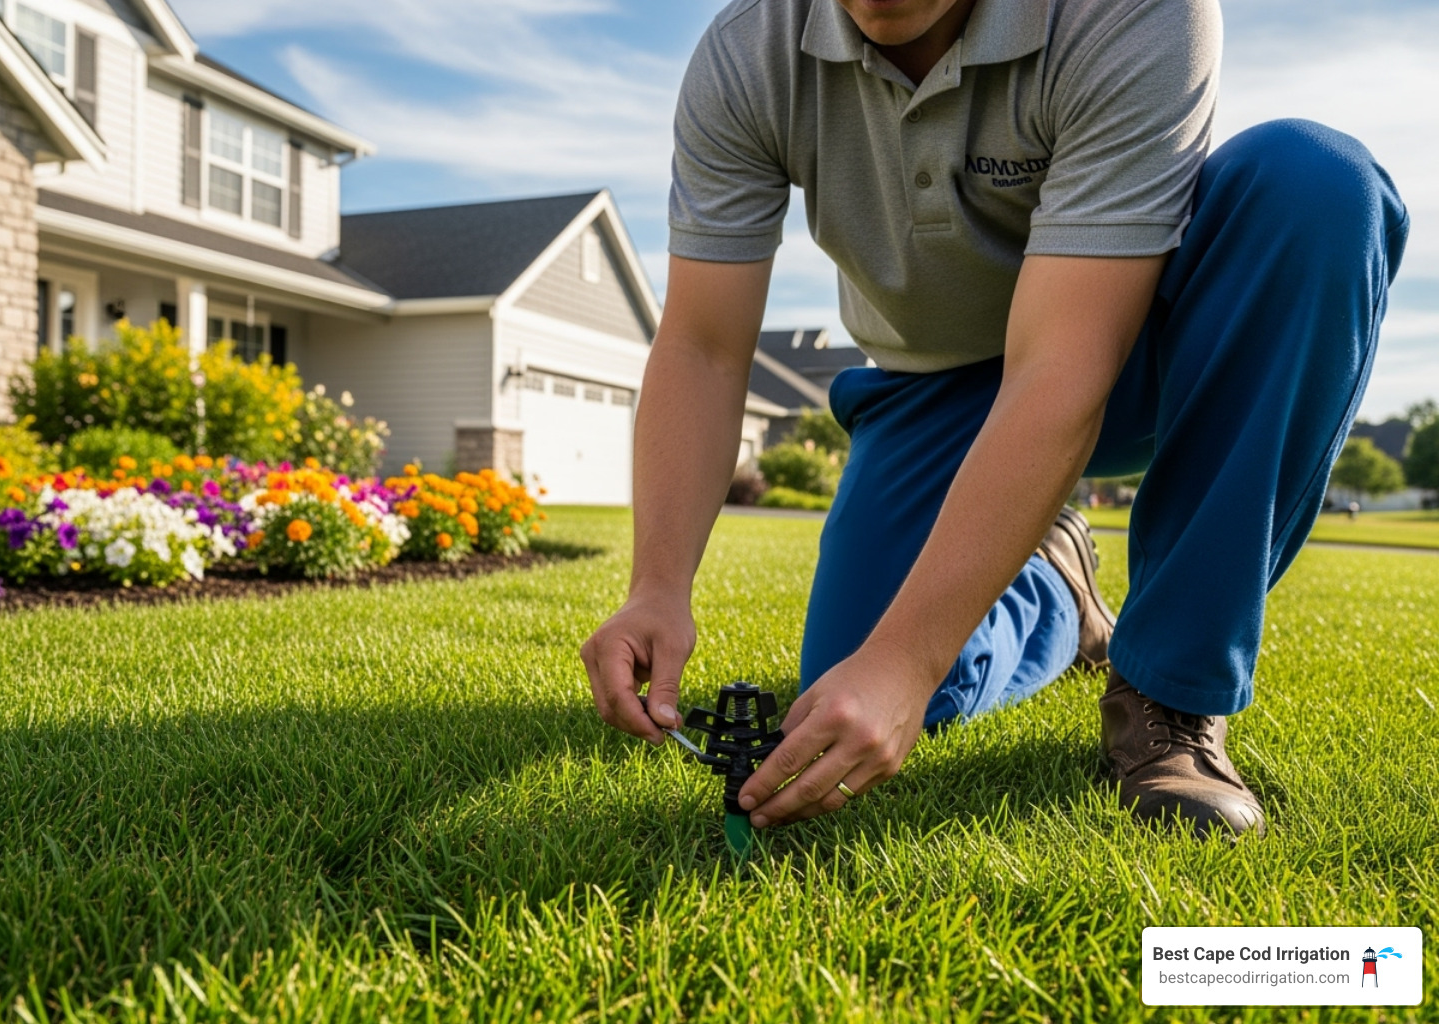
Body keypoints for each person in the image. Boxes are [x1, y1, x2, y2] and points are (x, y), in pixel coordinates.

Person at [580, 0, 1407, 838]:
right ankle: (1056, 586)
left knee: (1318, 185)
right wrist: (657, 586)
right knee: (850, 682)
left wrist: (906, 656)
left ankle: (1169, 693)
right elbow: (705, 347)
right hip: (931, 386)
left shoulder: (1133, 13)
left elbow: (1061, 363)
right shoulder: (745, 53)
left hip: (1132, 350)